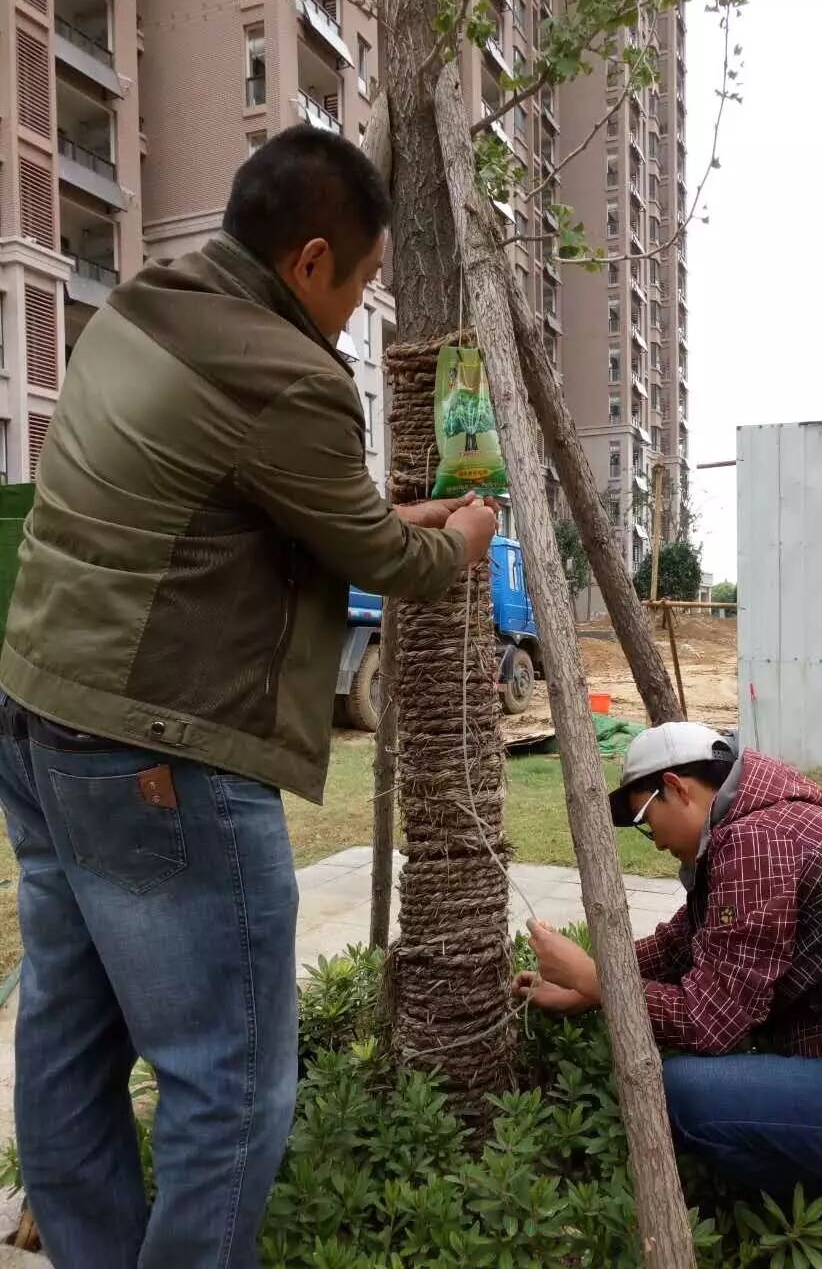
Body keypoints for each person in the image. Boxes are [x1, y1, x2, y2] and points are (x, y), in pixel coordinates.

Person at [0, 126, 497, 1269]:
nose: (358, 311)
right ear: (310, 261)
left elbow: (238, 498)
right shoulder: (290, 373)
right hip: (159, 752)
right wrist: (464, 532)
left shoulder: (141, 307)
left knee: (68, 1042)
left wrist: (389, 515)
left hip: (37, 723)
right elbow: (391, 562)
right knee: (228, 1081)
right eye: (361, 283)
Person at [514, 721, 822, 1268]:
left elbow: (710, 1023)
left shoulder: (757, 842)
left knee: (683, 1093)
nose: (652, 838)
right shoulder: (762, 827)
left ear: (676, 788)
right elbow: (679, 944)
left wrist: (595, 981)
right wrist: (584, 989)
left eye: (644, 818)